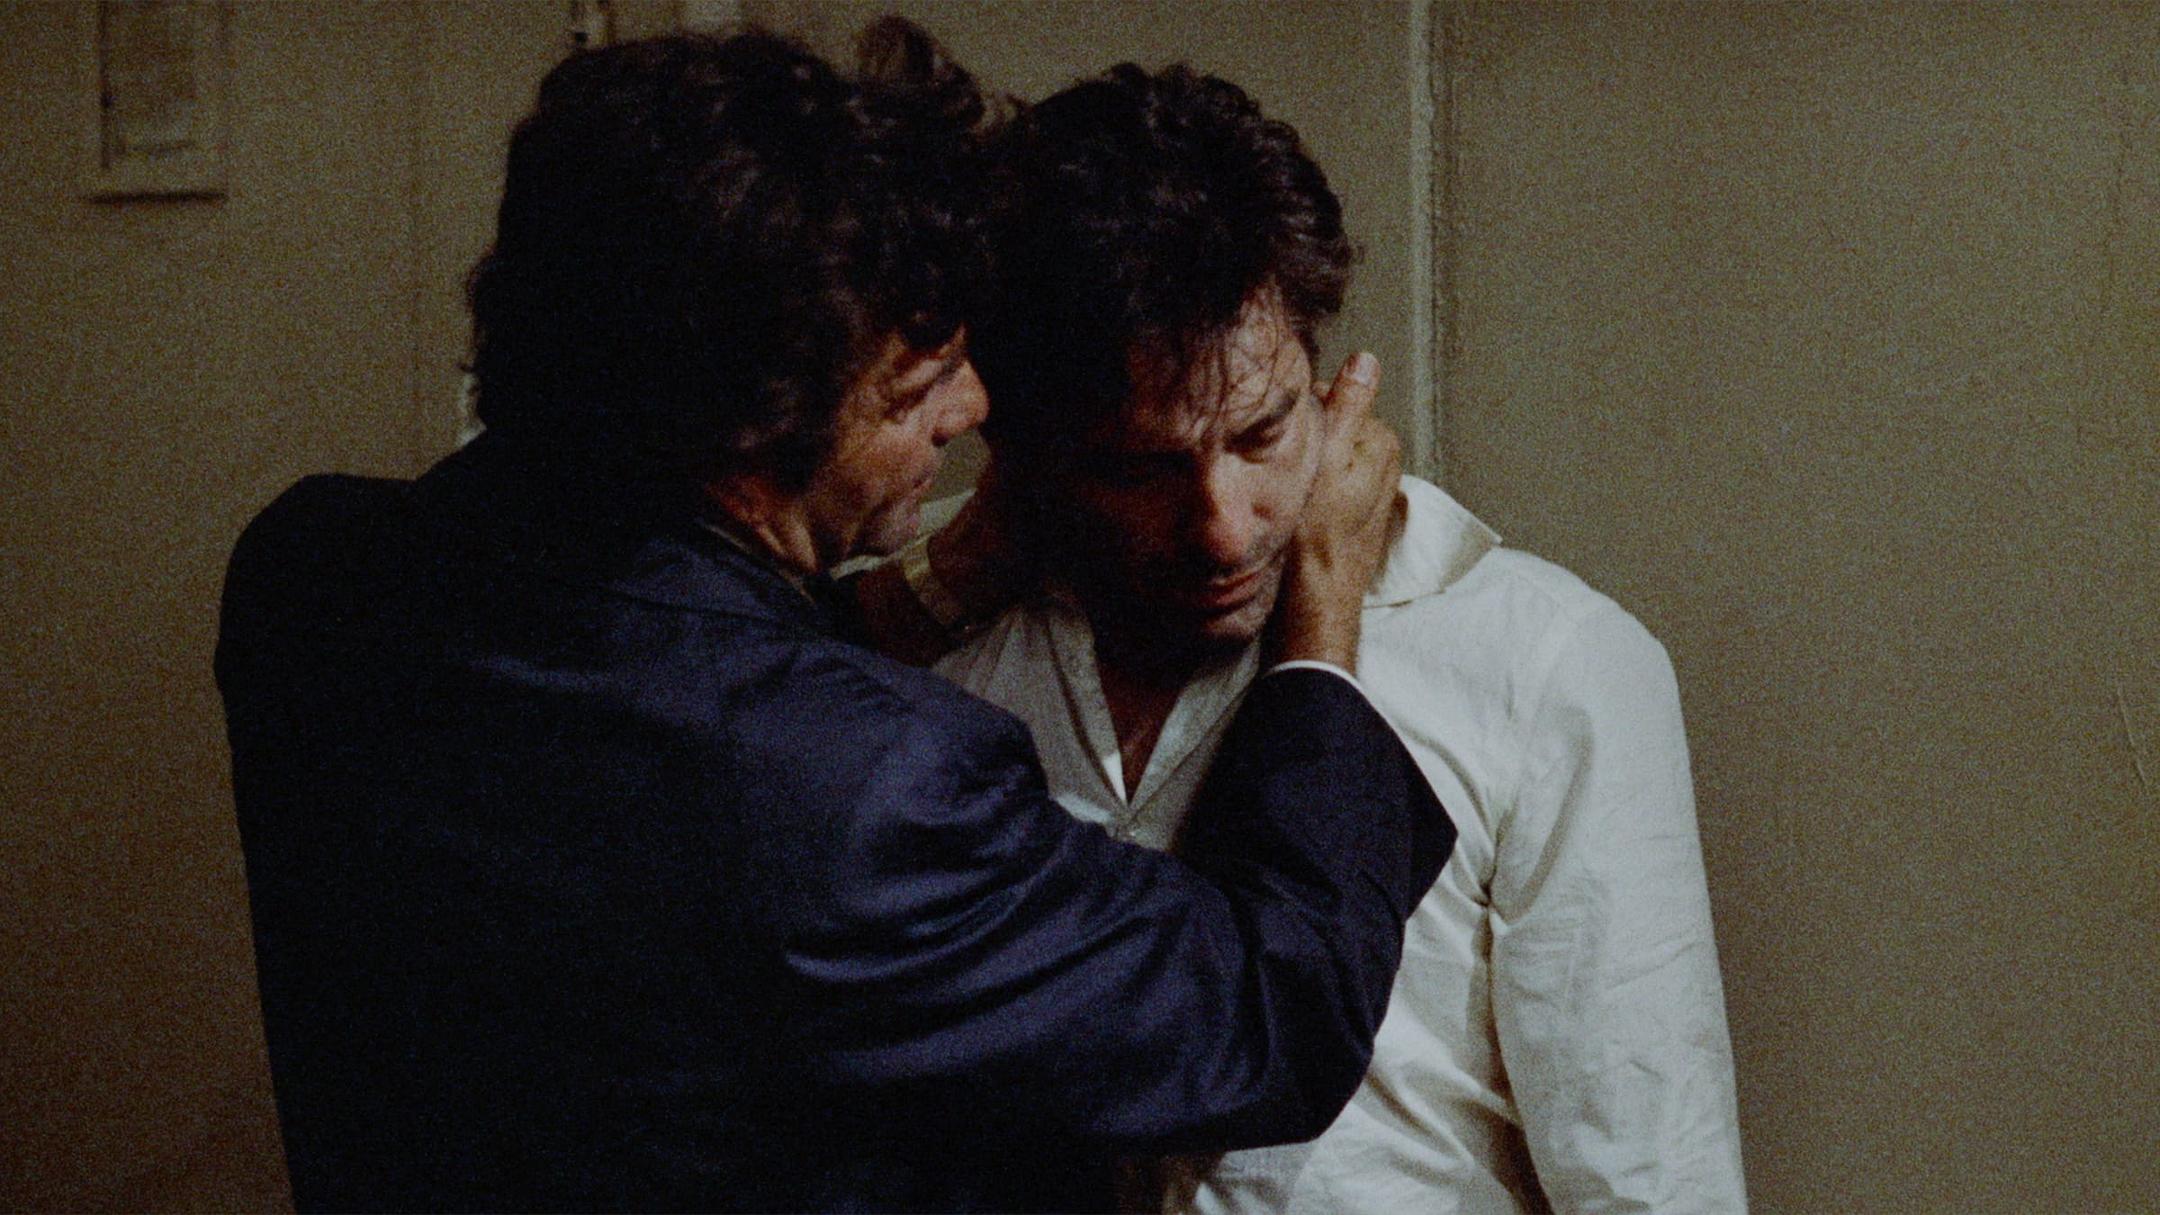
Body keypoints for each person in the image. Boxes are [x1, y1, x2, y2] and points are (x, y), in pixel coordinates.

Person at [213, 25, 1455, 1214]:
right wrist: (1323, 608)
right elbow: (1274, 1014)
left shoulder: (312, 576)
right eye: (916, 388)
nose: (972, 410)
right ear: (753, 433)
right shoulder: (873, 790)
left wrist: (937, 583)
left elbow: (658, 706)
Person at [925, 64, 1747, 1212]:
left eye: (1261, 433)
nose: (1223, 527)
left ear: (1327, 381)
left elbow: (1651, 1179)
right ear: (1024, 450)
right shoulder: (932, 653)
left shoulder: (1540, 665)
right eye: (1141, 469)